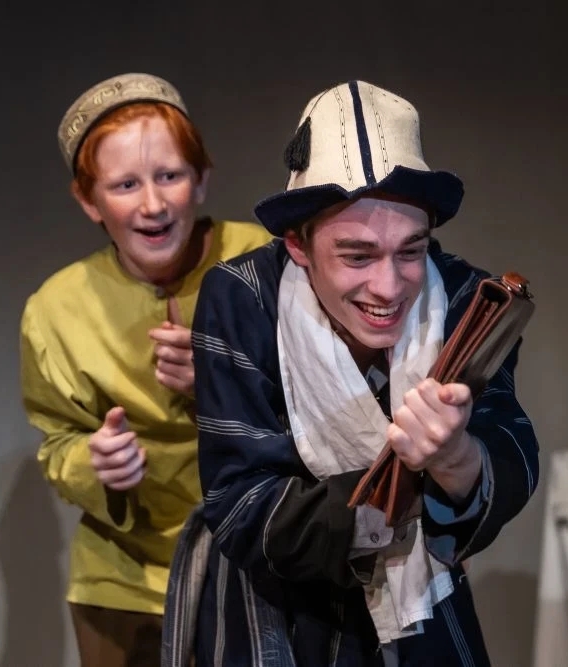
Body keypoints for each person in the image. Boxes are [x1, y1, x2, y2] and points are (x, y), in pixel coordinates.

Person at [161, 80, 540, 666]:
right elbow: (240, 501)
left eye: (411, 251)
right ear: (298, 245)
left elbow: (510, 447)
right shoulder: (244, 299)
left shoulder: (467, 301)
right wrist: (398, 493)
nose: (388, 287)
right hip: (276, 612)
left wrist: (455, 457)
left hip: (422, 611)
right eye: (357, 255)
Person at [19, 72, 273, 667]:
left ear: (202, 179)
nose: (153, 205)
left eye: (169, 176)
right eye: (125, 184)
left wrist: (222, 379)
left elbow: (331, 399)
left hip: (258, 564)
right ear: (90, 201)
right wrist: (95, 463)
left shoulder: (263, 262)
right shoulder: (55, 308)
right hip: (125, 586)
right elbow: (58, 441)